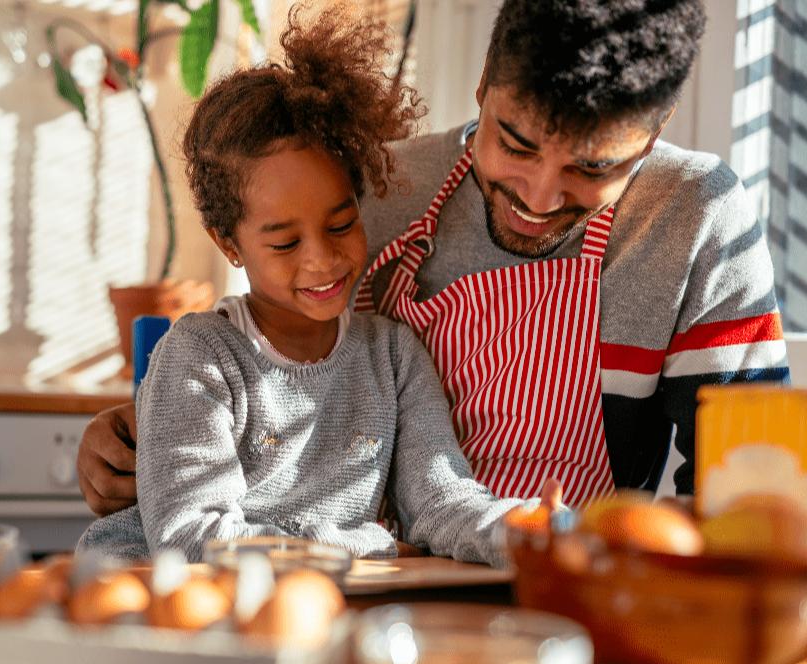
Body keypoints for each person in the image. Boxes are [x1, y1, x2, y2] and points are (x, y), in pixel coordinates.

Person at [78, 0, 790, 516]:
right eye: (514, 143)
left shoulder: (697, 219)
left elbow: (750, 492)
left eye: (592, 167)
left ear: (655, 128)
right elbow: (276, 382)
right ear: (484, 81)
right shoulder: (368, 196)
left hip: (564, 598)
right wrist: (142, 442)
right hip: (365, 597)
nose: (540, 197)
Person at [76, 5, 553, 566]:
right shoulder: (201, 356)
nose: (323, 260)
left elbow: (442, 502)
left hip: (305, 597)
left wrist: (531, 532)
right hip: (151, 592)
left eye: (341, 224)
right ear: (229, 244)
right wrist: (364, 542)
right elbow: (192, 539)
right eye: (284, 244)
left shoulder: (393, 356)